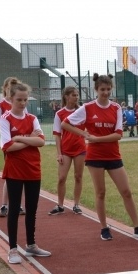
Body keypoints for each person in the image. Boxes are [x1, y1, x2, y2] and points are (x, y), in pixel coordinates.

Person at [61, 73, 138, 242]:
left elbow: (118, 134)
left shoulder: (116, 108)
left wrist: (97, 139)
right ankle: (104, 228)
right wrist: (83, 133)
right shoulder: (88, 108)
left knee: (126, 191)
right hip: (95, 157)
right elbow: (65, 123)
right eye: (102, 89)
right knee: (101, 193)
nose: (105, 92)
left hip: (113, 155)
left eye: (108, 89)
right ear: (96, 90)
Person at [0, 81, 51, 265]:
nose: (22, 103)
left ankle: (31, 244)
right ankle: (12, 248)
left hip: (33, 169)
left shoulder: (32, 118)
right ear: (11, 99)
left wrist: (20, 137)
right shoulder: (5, 119)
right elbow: (7, 146)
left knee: (32, 209)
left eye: (25, 100)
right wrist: (30, 139)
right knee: (14, 209)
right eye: (18, 100)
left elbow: (42, 141)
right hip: (14, 170)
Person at [50, 86, 86, 215]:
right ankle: (60, 205)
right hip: (66, 150)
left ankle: (76, 204)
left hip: (80, 149)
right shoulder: (60, 114)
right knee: (62, 178)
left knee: (78, 176)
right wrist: (59, 153)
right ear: (66, 96)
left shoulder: (82, 111)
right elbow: (57, 135)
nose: (76, 97)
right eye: (74, 95)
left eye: (77, 95)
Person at [0, 77, 25, 218]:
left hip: (22, 144)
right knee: (11, 175)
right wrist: (9, 141)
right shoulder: (0, 105)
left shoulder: (21, 102)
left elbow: (26, 121)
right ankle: (5, 205)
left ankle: (16, 204)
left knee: (21, 174)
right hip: (9, 145)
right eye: (10, 87)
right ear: (5, 88)